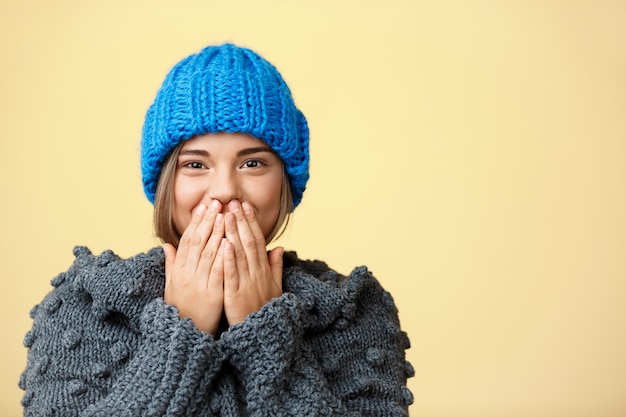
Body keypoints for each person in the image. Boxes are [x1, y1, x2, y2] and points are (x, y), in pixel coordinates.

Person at [20, 43, 414, 417]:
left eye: (253, 164)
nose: (225, 189)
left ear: (285, 183)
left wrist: (266, 333)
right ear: (164, 183)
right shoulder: (86, 302)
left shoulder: (352, 306)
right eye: (195, 165)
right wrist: (179, 334)